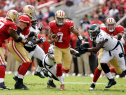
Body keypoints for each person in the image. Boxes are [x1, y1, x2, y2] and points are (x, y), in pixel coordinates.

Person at [77, 24, 126, 89]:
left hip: (117, 48)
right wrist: (81, 51)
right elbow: (94, 48)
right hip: (108, 50)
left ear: (97, 31)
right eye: (91, 32)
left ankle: (111, 79)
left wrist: (85, 49)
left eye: (93, 32)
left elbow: (97, 48)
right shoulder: (93, 36)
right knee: (102, 62)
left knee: (122, 67)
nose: (92, 34)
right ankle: (111, 80)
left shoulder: (102, 35)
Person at [48, 10, 85, 90]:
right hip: (57, 47)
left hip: (66, 48)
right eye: (59, 19)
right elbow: (48, 39)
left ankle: (53, 73)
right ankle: (62, 84)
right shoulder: (52, 24)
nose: (61, 20)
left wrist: (82, 39)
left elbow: (76, 32)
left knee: (67, 69)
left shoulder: (68, 24)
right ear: (56, 18)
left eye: (62, 19)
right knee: (59, 64)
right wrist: (52, 41)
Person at [8, 5, 42, 90]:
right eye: (32, 13)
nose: (34, 15)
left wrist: (38, 30)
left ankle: (19, 81)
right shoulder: (24, 18)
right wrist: (27, 41)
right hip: (16, 43)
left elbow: (28, 34)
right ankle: (18, 83)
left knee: (28, 62)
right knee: (26, 62)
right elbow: (18, 32)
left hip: (19, 44)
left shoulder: (27, 20)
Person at [89, 18, 125, 90]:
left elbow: (119, 36)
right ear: (106, 26)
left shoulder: (119, 28)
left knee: (120, 70)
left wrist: (112, 38)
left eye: (112, 25)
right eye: (109, 25)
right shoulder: (102, 30)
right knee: (101, 65)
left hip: (116, 49)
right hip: (104, 49)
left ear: (115, 25)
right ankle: (93, 83)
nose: (111, 27)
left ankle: (109, 72)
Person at [0, 10, 25, 90]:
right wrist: (23, 38)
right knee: (2, 63)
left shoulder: (1, 19)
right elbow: (16, 38)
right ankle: (1, 84)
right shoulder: (10, 24)